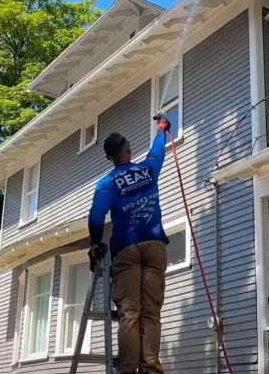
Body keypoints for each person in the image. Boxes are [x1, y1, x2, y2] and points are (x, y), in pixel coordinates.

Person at [87, 115, 172, 374]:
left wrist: (95, 244)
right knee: (151, 314)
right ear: (127, 149)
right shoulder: (147, 169)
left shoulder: (106, 184)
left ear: (110, 158)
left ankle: (127, 371)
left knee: (130, 313)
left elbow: (95, 217)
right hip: (154, 244)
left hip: (126, 248)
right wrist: (162, 129)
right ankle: (152, 370)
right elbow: (158, 150)